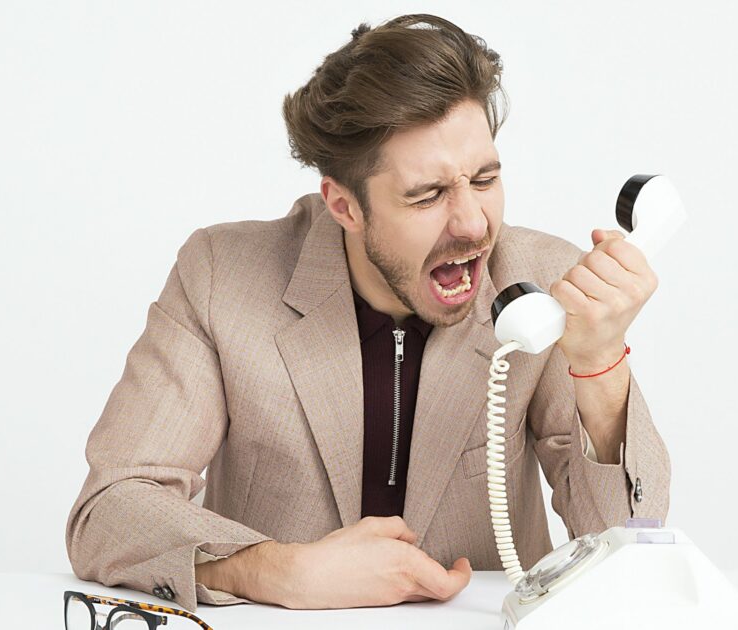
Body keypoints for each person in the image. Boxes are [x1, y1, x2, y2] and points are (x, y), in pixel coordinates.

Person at [65, 13, 671, 612]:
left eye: (484, 179)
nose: (473, 224)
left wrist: (599, 365)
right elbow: (110, 508)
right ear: (344, 206)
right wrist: (277, 571)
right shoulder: (220, 274)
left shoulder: (540, 281)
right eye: (427, 195)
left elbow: (631, 542)